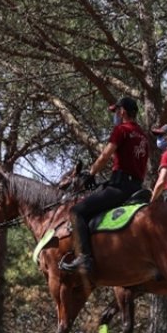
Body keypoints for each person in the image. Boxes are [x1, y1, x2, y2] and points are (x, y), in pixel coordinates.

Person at [59, 96, 150, 275]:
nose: (115, 114)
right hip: (136, 187)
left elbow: (105, 156)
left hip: (120, 188)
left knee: (76, 212)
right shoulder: (143, 136)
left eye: (116, 111)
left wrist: (90, 174)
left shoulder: (121, 130)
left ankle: (84, 258)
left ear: (122, 111)